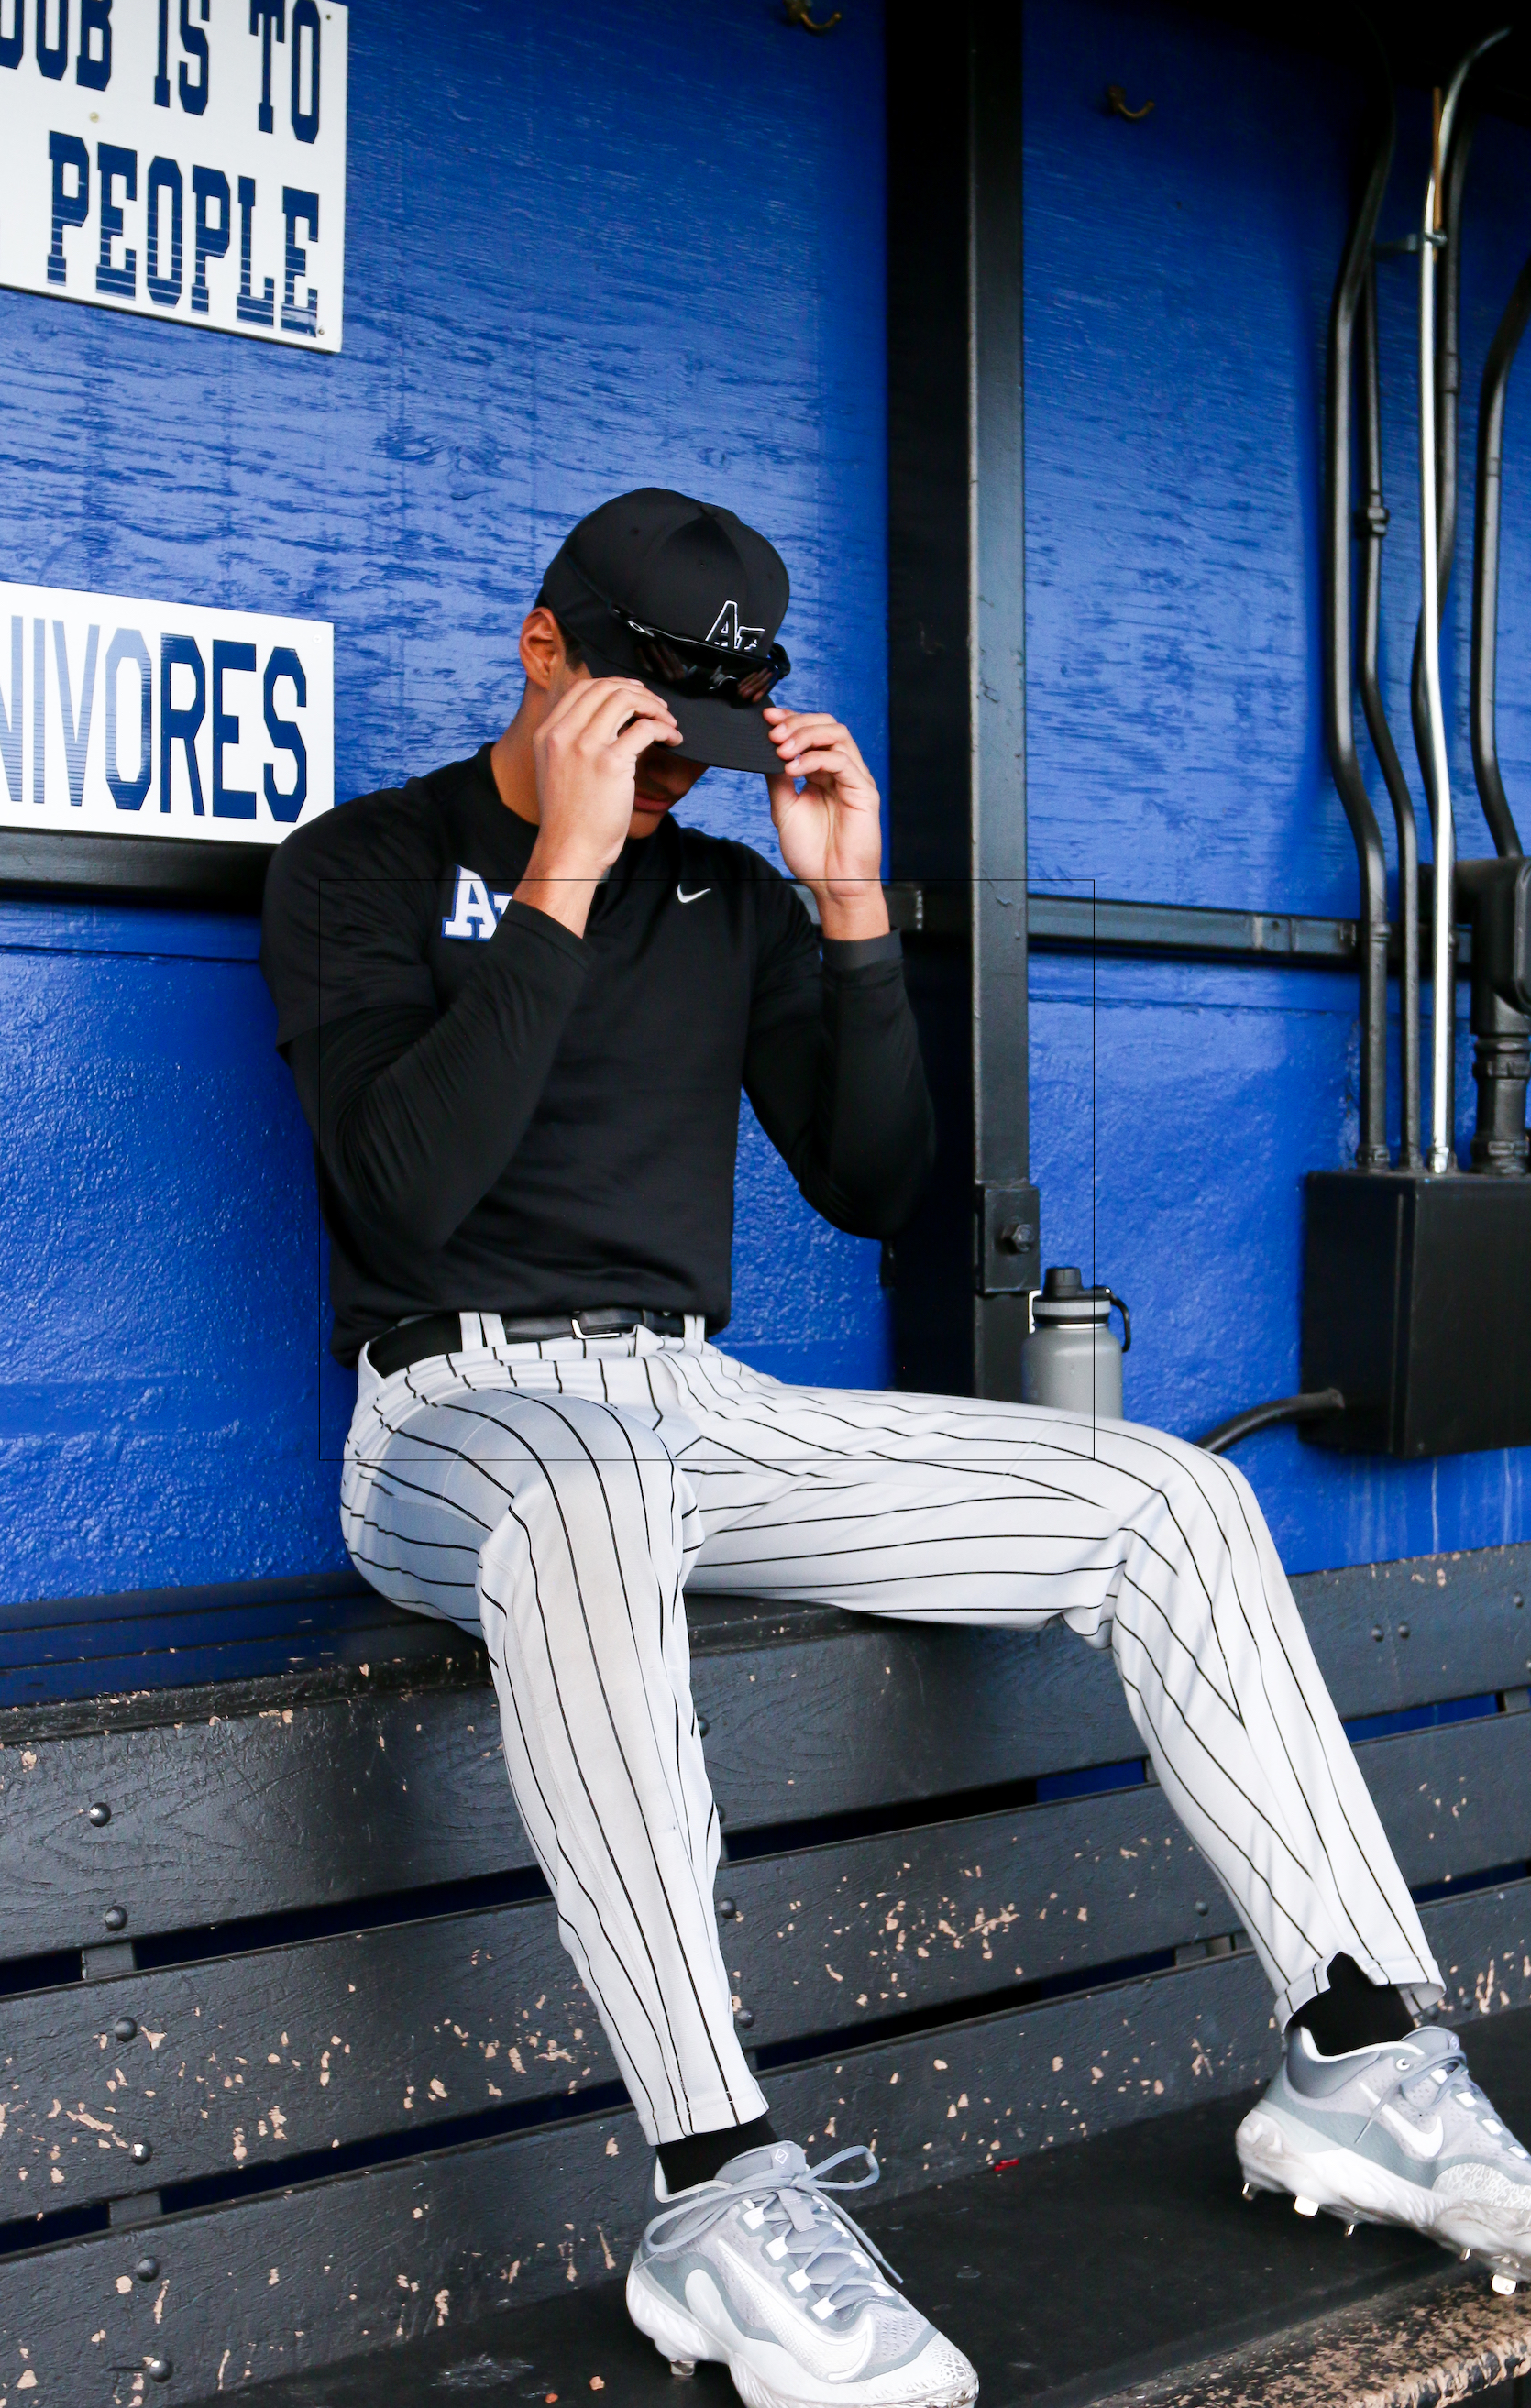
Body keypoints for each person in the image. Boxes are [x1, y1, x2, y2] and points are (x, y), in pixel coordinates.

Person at [260, 488, 1531, 2408]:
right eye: (642, 726)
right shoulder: (362, 865)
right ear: (546, 653)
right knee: (592, 1497)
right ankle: (714, 2183)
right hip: (453, 1417)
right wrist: (559, 881)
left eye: (703, 739)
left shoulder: (727, 894)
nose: (673, 775)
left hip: (694, 1405)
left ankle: (1362, 2056)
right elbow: (405, 1201)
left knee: (1169, 1499)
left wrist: (852, 914)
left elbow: (871, 1186)